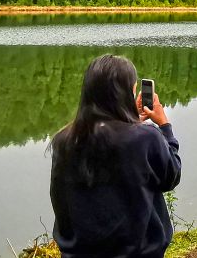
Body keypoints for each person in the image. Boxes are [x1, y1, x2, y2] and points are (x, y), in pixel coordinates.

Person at [49, 55, 181, 258]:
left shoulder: (63, 140)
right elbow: (171, 176)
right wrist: (165, 127)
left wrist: (132, 119)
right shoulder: (145, 138)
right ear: (126, 93)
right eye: (133, 89)